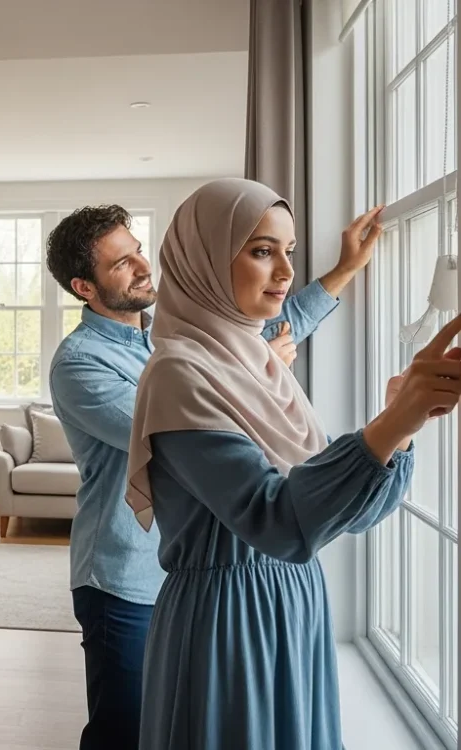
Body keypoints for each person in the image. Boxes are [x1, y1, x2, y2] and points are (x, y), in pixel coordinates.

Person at [125, 178, 456, 749]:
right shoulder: (180, 372)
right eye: (261, 250)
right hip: (227, 621)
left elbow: (339, 513)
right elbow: (276, 522)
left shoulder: (256, 360)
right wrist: (392, 423)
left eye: (289, 252)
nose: (284, 271)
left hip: (292, 599)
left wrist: (401, 431)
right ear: (203, 261)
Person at [45, 199, 381, 749]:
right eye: (120, 264)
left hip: (209, 578)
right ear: (84, 287)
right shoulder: (81, 363)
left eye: (137, 252)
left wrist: (343, 271)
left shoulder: (183, 330)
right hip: (126, 579)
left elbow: (270, 324)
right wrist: (251, 375)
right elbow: (180, 429)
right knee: (125, 732)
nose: (142, 267)